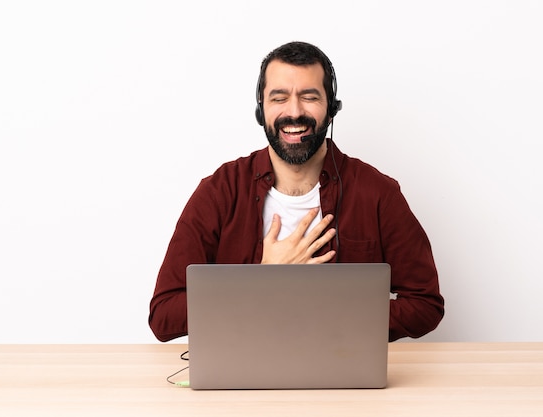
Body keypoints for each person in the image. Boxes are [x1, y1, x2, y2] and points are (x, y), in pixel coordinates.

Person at [149, 41, 444, 342]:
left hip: (339, 371)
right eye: (279, 98)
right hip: (242, 378)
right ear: (260, 109)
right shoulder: (219, 192)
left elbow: (425, 304)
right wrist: (261, 280)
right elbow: (164, 315)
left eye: (309, 96)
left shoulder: (378, 193)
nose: (294, 112)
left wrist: (328, 317)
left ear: (332, 109)